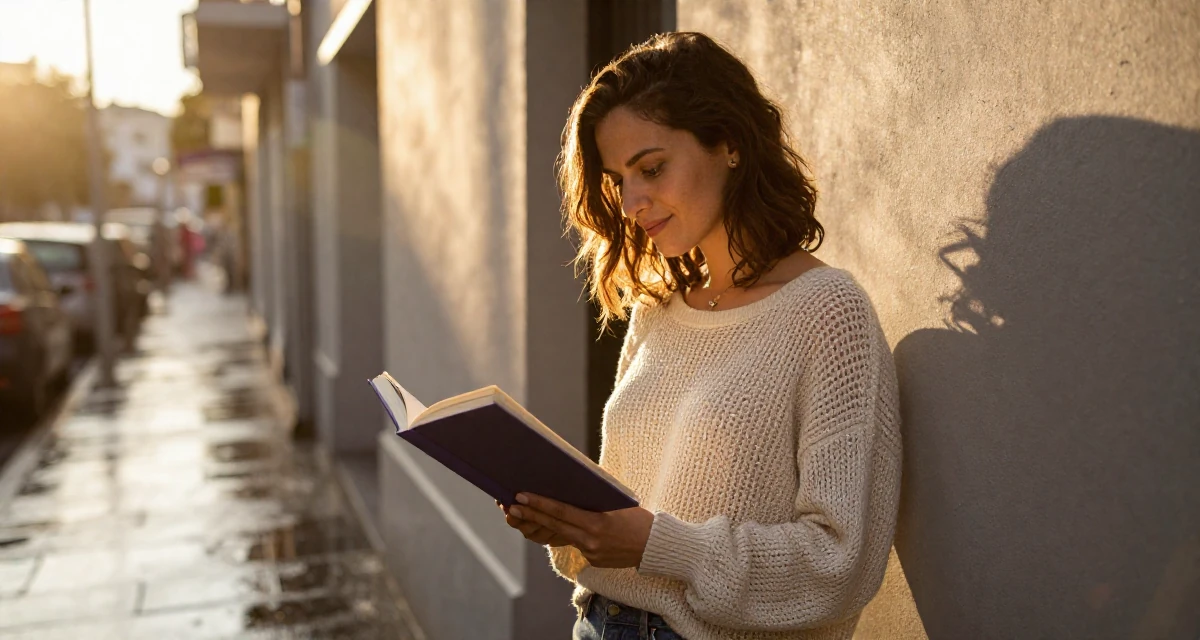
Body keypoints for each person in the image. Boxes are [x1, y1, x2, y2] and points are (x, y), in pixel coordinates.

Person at [500, 32, 902, 640]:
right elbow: (634, 508)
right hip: (599, 622)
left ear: (730, 144)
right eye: (618, 179)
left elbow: (838, 562)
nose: (631, 202)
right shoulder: (658, 311)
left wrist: (657, 545)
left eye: (651, 168)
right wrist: (570, 522)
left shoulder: (828, 313)